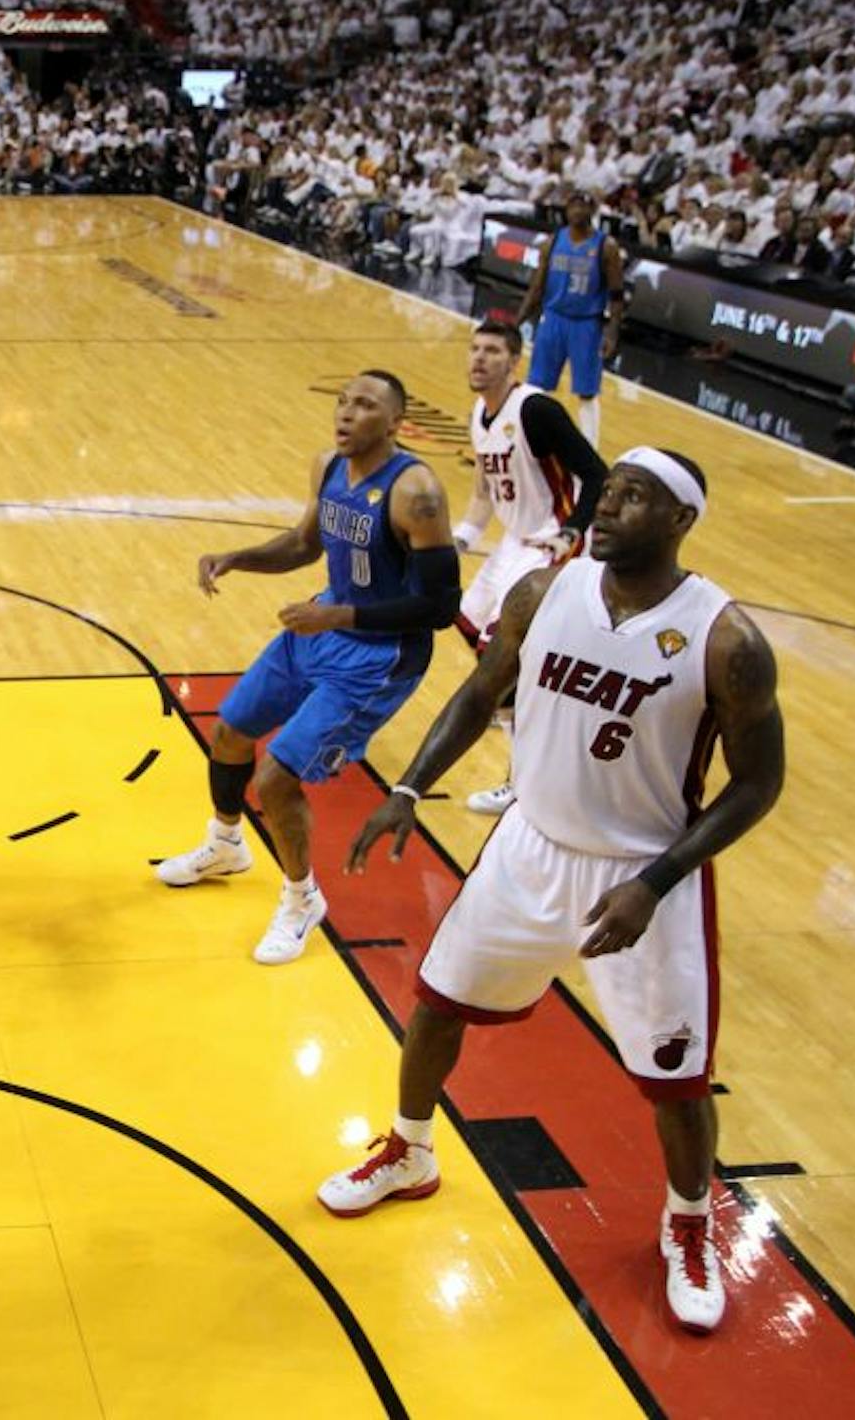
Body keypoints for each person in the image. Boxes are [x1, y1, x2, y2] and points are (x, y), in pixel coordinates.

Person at [328, 447, 785, 1336]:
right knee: (436, 1006)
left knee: (677, 1079)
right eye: (608, 489)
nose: (607, 505)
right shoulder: (543, 593)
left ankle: (688, 1225)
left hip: (643, 872)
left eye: (636, 497)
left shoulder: (726, 640)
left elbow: (757, 784)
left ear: (682, 520)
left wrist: (654, 883)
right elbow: (478, 690)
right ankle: (409, 1152)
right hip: (529, 847)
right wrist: (408, 788)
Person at [157, 372, 458, 963]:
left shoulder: (415, 492)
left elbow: (441, 608)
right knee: (229, 731)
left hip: (380, 657)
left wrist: (342, 615)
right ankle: (225, 845)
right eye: (343, 402)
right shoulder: (327, 467)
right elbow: (304, 545)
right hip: (324, 625)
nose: (346, 413)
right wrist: (237, 558)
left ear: (396, 422)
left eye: (365, 406)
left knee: (274, 778)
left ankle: (302, 901)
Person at [451, 320, 606, 814]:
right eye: (474, 349)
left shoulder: (535, 409)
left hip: (550, 543)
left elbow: (598, 473)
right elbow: (484, 491)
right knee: (467, 617)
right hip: (513, 542)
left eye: (492, 351)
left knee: (501, 652)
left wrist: (572, 531)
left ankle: (523, 780)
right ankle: (523, 712)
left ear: (513, 361)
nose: (479, 358)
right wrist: (462, 538)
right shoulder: (480, 413)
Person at [515, 189, 625, 444]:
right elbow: (537, 287)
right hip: (553, 318)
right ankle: (531, 437)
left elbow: (616, 293)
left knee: (586, 391)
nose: (577, 211)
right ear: (566, 210)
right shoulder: (552, 242)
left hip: (586, 323)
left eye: (583, 206)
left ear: (592, 211)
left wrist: (612, 331)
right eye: (572, 205)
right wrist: (516, 322)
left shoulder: (605, 246)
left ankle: (590, 447)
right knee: (537, 386)